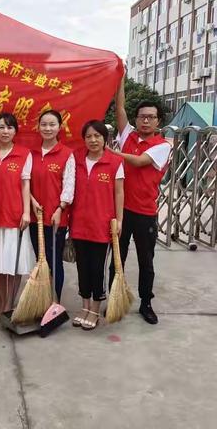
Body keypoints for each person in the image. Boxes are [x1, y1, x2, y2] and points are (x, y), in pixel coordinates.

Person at [109, 77, 171, 325]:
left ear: (158, 121)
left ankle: (146, 302)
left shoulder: (161, 145)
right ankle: (115, 298)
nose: (146, 120)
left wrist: (111, 153)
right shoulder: (128, 137)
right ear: (136, 119)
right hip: (121, 211)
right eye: (142, 116)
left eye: (151, 117)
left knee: (146, 262)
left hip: (145, 212)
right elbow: (120, 108)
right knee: (117, 258)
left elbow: (138, 162)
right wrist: (120, 79)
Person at [70, 120, 124, 330]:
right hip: (79, 225)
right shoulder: (77, 159)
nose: (93, 140)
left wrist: (119, 221)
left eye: (97, 136)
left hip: (102, 227)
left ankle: (94, 310)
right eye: (89, 137)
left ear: (105, 139)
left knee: (97, 270)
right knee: (82, 269)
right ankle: (84, 307)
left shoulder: (114, 162)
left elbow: (119, 193)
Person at [0, 113, 35, 322]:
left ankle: (10, 305)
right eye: (1, 127)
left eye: (9, 128)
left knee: (14, 265)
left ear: (15, 131)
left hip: (16, 218)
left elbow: (26, 185)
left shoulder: (24, 154)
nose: (5, 131)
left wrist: (26, 212)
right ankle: (1, 304)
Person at [29, 109, 75, 301]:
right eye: (44, 124)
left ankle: (54, 302)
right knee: (40, 261)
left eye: (52, 124)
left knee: (54, 261)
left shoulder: (67, 154)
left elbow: (69, 185)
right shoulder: (31, 153)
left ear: (59, 127)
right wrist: (31, 201)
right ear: (38, 127)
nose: (48, 128)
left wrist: (60, 208)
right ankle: (41, 300)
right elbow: (24, 182)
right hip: (34, 218)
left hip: (56, 219)